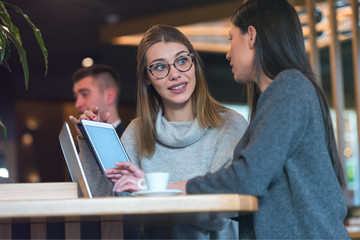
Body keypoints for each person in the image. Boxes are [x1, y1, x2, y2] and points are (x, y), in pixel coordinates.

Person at [166, 0, 351, 239]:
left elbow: (248, 177)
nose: (228, 52)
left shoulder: (289, 88)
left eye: (231, 38)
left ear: (251, 35)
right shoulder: (284, 92)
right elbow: (261, 192)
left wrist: (175, 189)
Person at [70, 24, 248, 239]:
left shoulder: (230, 125)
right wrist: (89, 145)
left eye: (182, 61)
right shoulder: (137, 131)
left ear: (194, 65)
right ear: (147, 77)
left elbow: (225, 209)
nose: (175, 74)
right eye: (160, 67)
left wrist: (151, 191)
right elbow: (105, 206)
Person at [72, 64, 126, 137]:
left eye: (85, 94)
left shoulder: (131, 142)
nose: (77, 104)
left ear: (109, 96)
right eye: (76, 97)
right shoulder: (82, 143)